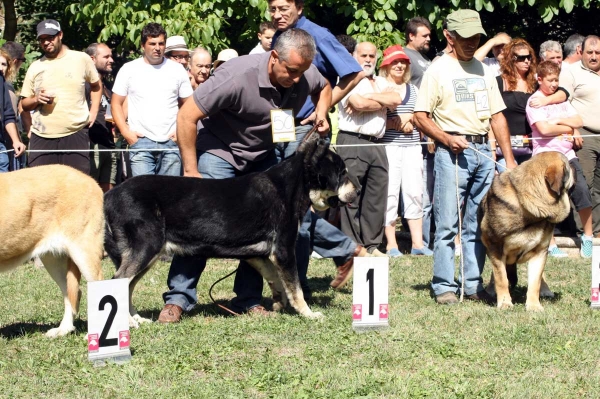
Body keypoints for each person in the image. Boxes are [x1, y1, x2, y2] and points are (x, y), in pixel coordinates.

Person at [158, 28, 332, 322]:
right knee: (201, 222)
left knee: (259, 228)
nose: (297, 78)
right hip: (219, 151)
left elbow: (324, 86)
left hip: (261, 155)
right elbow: (186, 117)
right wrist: (191, 171)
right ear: (274, 57)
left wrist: (322, 112)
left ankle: (249, 299)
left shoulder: (302, 69)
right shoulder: (235, 76)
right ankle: (178, 299)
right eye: (291, 71)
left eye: (302, 71)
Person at [414, 9, 517, 305]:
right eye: (465, 37)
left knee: (479, 224)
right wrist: (446, 139)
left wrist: (508, 160)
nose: (472, 42)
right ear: (450, 36)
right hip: (451, 153)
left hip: (483, 151)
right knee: (447, 223)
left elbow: (497, 116)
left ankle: (472, 285)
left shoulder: (485, 69)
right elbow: (420, 116)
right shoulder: (437, 69)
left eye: (476, 37)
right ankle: (444, 286)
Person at [269, 0, 369, 291]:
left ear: (299, 7)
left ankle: (301, 280)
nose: (277, 14)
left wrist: (323, 107)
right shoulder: (279, 35)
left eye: (283, 8)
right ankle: (344, 251)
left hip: (307, 129)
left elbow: (353, 72)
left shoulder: (318, 35)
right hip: (281, 126)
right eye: (272, 9)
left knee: (296, 207)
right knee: (285, 206)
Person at [337, 42, 401, 256]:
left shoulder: (382, 80)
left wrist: (373, 98)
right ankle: (353, 245)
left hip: (378, 143)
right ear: (354, 56)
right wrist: (382, 102)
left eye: (372, 56)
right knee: (350, 195)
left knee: (377, 196)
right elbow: (358, 104)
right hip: (353, 139)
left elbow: (396, 99)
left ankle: (372, 245)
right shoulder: (347, 79)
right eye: (363, 55)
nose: (368, 59)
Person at [526, 60, 592, 258]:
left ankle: (587, 238)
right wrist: (568, 128)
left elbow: (579, 120)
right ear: (540, 80)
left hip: (568, 156)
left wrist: (560, 121)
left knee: (581, 192)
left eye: (557, 80)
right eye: (550, 80)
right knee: (549, 200)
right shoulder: (534, 101)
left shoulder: (561, 101)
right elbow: (544, 130)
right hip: (545, 157)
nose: (555, 84)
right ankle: (550, 243)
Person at [111, 23, 193, 177]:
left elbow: (188, 105)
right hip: (141, 142)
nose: (157, 48)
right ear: (143, 45)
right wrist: (126, 133)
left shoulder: (177, 70)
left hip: (171, 143)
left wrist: (180, 132)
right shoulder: (129, 69)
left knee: (169, 196)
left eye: (161, 43)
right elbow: (116, 103)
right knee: (143, 196)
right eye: (152, 43)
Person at [21, 19, 101, 174]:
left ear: (60, 35)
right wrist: (36, 99)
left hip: (75, 133)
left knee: (76, 188)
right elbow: (24, 104)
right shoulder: (35, 66)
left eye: (50, 37)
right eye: (42, 39)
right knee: (40, 189)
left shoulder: (81, 59)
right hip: (42, 136)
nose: (46, 42)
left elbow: (96, 86)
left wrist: (93, 112)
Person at [378, 44, 432, 257]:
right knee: (390, 193)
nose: (399, 65)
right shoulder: (381, 86)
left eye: (403, 62)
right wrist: (398, 122)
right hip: (389, 146)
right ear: (386, 66)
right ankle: (391, 244)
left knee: (415, 192)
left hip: (412, 147)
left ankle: (418, 244)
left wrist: (407, 119)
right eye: (395, 62)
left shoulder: (414, 89)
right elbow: (380, 117)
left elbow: (421, 115)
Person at [559, 35, 600, 237]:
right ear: (580, 52)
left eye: (598, 53)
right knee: (585, 185)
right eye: (589, 52)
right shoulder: (571, 72)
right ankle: (583, 232)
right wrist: (573, 129)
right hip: (584, 134)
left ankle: (598, 230)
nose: (594, 57)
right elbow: (563, 102)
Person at [85, 43, 117, 192]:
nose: (111, 60)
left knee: (109, 192)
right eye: (106, 56)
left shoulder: (108, 86)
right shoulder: (83, 84)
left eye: (111, 56)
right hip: (92, 143)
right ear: (92, 59)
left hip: (109, 143)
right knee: (91, 190)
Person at [0, 43, 27, 170]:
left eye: (4, 64)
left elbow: (9, 115)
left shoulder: (4, 86)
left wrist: (16, 141)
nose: (0, 68)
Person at [403, 17, 432, 87]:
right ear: (411, 36)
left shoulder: (425, 57)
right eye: (425, 36)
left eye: (429, 35)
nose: (429, 39)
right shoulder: (404, 56)